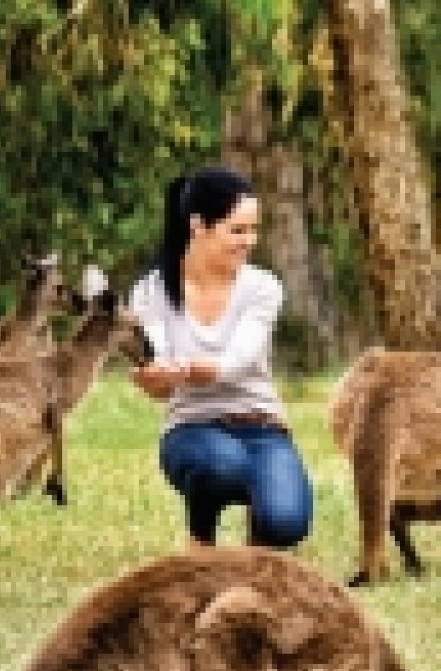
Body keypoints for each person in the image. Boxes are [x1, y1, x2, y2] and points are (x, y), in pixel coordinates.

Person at [129, 166, 316, 550]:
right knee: (222, 465)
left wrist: (185, 368)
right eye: (238, 230)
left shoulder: (263, 287)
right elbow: (161, 375)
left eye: (253, 229)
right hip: (191, 430)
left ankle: (254, 547)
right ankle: (202, 540)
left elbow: (238, 361)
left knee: (287, 523)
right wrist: (156, 380)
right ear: (198, 226)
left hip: (263, 428)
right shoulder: (152, 291)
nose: (249, 241)